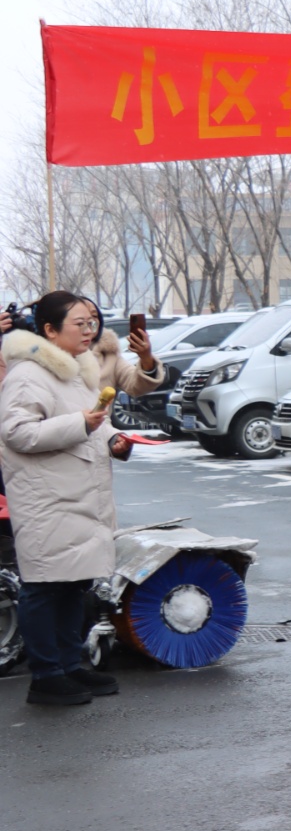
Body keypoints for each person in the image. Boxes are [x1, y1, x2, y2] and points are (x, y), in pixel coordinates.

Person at [0, 292, 166, 706]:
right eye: (80, 323)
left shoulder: (76, 371)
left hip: (78, 495)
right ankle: (46, 675)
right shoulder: (27, 374)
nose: (89, 330)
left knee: (74, 585)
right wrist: (81, 424)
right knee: (43, 588)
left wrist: (115, 440)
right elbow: (18, 433)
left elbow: (94, 421)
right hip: (46, 498)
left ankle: (71, 664)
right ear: (50, 330)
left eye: (92, 323)